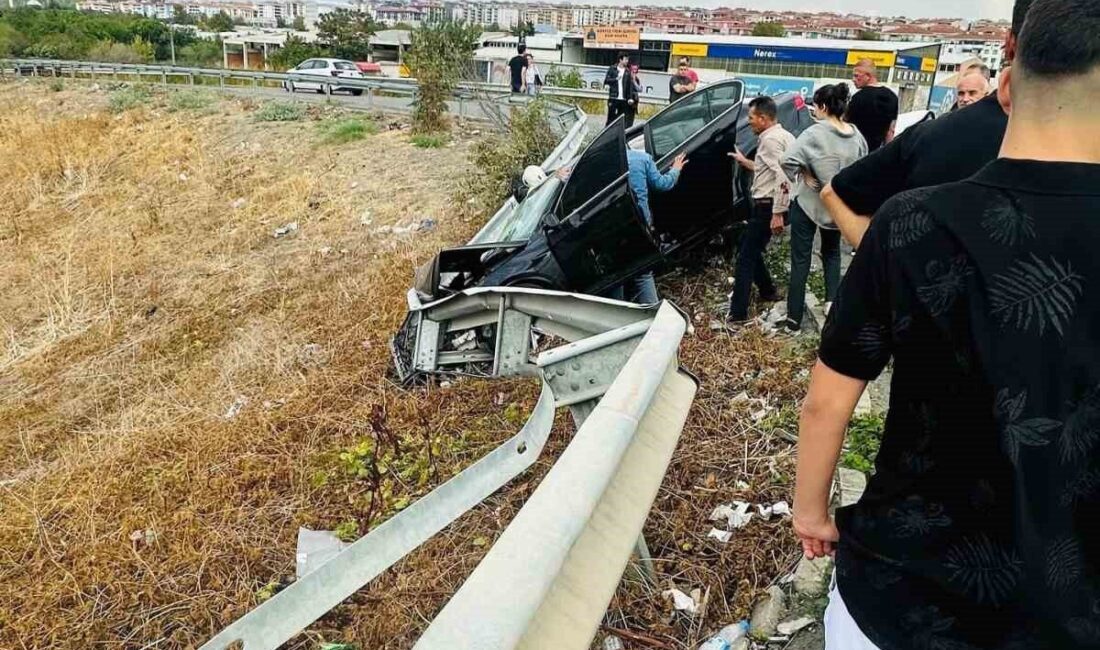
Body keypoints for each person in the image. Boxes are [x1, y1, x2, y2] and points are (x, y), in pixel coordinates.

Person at [793, 1, 1100, 649]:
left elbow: (827, 402)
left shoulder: (910, 224)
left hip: (900, 595)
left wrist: (811, 513)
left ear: (1007, 80)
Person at [822, 0, 1034, 248]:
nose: (965, 99)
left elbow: (833, 192)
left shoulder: (935, 136)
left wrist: (885, 265)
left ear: (1009, 45)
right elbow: (890, 130)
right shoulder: (911, 116)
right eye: (961, 93)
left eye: (972, 93)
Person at [780, 84, 867, 333]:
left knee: (800, 260)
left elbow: (786, 160)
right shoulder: (856, 135)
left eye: (815, 106)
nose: (813, 111)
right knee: (832, 255)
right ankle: (831, 305)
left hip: (809, 203)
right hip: (838, 206)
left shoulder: (814, 133)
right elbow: (863, 167)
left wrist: (805, 172)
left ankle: (793, 319)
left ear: (824, 107)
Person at [726, 96, 795, 324]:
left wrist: (778, 212)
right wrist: (744, 161)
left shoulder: (770, 141)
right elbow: (766, 168)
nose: (749, 122)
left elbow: (782, 174)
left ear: (764, 119)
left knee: (744, 258)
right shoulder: (784, 136)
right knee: (749, 248)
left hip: (767, 206)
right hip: (769, 206)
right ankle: (767, 291)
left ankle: (737, 314)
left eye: (752, 117)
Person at [614, 150, 688, 303]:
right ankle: (654, 314)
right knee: (643, 272)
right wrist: (676, 169)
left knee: (616, 274)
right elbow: (662, 184)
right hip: (640, 224)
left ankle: (618, 315)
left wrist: (557, 174)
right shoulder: (641, 158)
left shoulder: (604, 164)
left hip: (613, 227)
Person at [844, 59, 898, 152]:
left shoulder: (857, 98)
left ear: (868, 76)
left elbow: (846, 126)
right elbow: (890, 131)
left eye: (857, 76)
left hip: (856, 151)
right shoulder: (892, 96)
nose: (853, 79)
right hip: (877, 153)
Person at [604, 52, 637, 127]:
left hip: (623, 99)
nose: (627, 61)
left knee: (621, 119)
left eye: (627, 59)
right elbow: (606, 80)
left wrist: (630, 98)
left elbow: (630, 86)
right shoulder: (612, 69)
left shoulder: (627, 72)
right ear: (620, 60)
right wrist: (615, 79)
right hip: (613, 97)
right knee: (611, 118)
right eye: (625, 59)